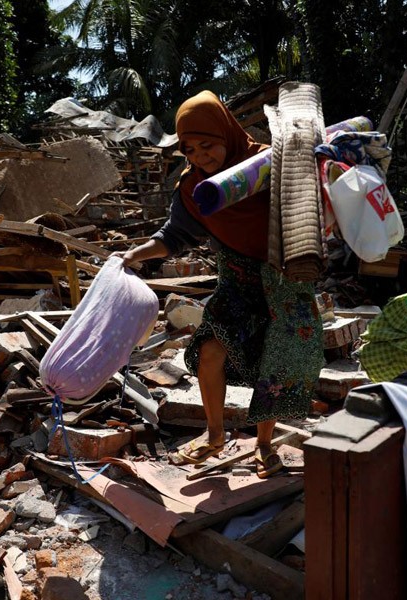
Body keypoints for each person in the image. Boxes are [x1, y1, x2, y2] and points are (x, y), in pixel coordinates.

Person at [115, 90, 323, 478]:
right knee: (210, 351)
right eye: (190, 150)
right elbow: (174, 236)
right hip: (238, 280)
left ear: (226, 134)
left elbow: (312, 205)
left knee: (275, 365)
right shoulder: (195, 191)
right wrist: (133, 255)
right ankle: (214, 435)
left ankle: (264, 445)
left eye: (207, 146)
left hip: (284, 280)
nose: (200, 157)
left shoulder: (269, 165)